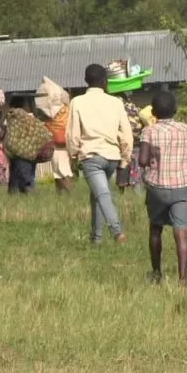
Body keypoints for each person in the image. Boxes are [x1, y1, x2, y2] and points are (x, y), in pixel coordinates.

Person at [138, 92, 187, 287]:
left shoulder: (149, 131)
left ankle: (156, 272)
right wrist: (186, 164)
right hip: (181, 187)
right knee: (181, 233)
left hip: (157, 187)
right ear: (175, 110)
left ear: (154, 112)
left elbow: (142, 161)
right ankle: (182, 280)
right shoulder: (185, 130)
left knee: (155, 229)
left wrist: (152, 159)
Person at [67, 64, 134, 244]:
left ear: (86, 81)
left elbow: (73, 134)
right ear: (105, 82)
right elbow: (126, 134)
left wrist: (72, 157)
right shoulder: (116, 102)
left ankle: (117, 232)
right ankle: (96, 238)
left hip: (90, 156)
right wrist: (125, 159)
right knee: (97, 194)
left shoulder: (77, 102)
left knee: (102, 194)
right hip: (112, 157)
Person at [6, 98, 38, 195]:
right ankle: (29, 194)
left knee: (17, 175)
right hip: (31, 149)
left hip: (17, 151)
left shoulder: (11, 117)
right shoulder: (31, 117)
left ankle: (17, 195)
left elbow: (5, 133)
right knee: (30, 175)